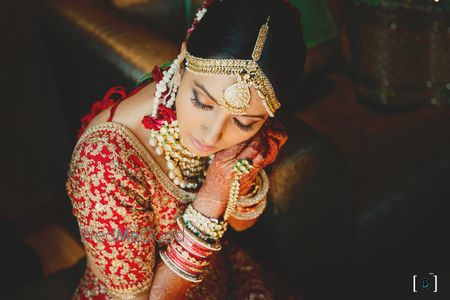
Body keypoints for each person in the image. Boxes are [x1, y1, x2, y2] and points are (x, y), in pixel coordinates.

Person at [66, 0, 307, 299]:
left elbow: (240, 224)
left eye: (243, 122)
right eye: (202, 102)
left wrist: (244, 177)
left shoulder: (246, 123)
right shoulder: (104, 161)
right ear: (182, 60)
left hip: (218, 276)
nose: (212, 133)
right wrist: (212, 196)